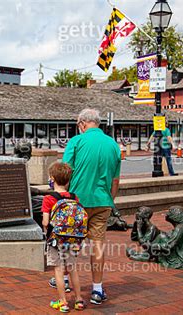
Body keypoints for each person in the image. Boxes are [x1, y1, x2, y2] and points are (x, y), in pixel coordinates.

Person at [62, 108, 121, 305]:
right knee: (97, 245)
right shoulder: (113, 145)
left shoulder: (76, 142)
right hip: (103, 201)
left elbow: (65, 173)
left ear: (83, 124)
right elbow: (115, 180)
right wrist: (110, 201)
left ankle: (64, 280)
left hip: (78, 200)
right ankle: (97, 289)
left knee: (70, 242)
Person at [42, 162, 85, 312]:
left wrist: (45, 228)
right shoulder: (74, 197)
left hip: (56, 240)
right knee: (72, 269)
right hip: (73, 239)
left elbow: (46, 221)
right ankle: (79, 300)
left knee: (59, 270)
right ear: (68, 181)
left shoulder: (48, 198)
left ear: (52, 178)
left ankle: (63, 302)